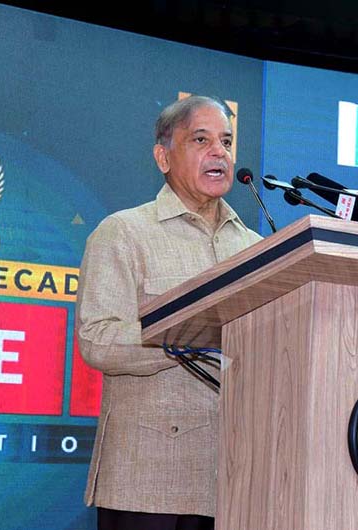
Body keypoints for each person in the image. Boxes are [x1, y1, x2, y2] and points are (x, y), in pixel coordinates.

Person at [75, 95, 262, 530]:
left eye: (227, 141)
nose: (220, 152)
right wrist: (186, 337)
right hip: (147, 480)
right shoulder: (124, 232)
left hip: (235, 480)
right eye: (201, 139)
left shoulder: (257, 250)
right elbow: (98, 339)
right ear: (163, 156)